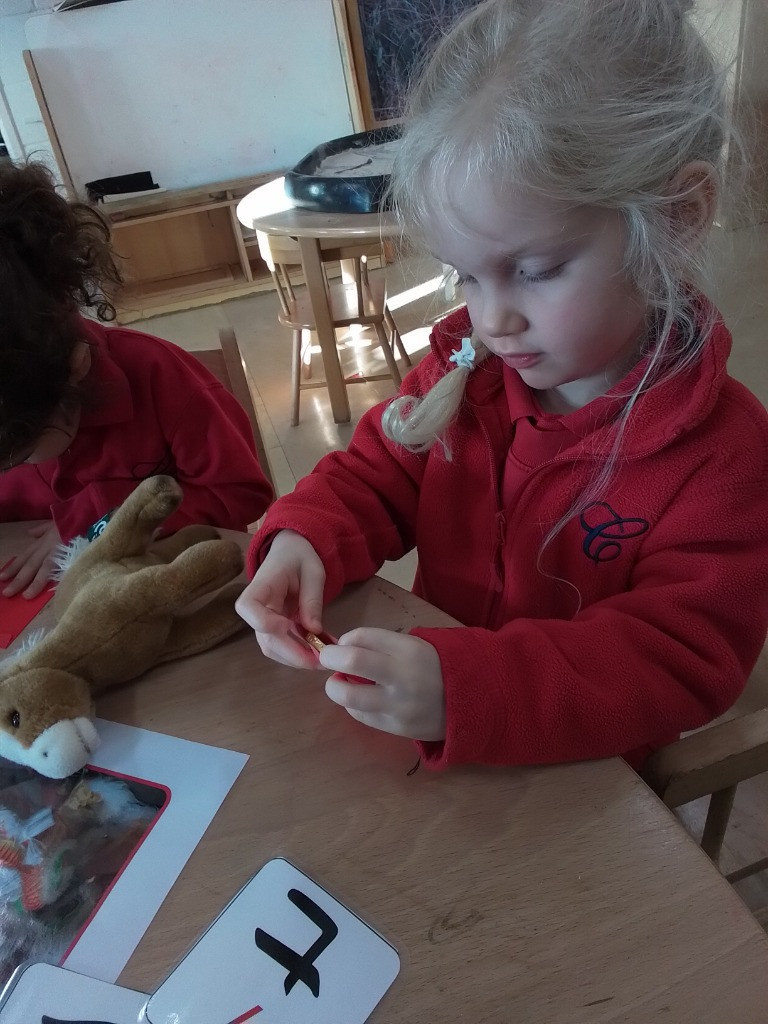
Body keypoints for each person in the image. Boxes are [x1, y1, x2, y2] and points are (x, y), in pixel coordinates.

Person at [236, 0, 768, 771]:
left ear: (677, 218)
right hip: (439, 752)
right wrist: (303, 536)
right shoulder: (467, 376)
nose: (492, 320)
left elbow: (678, 662)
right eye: (465, 276)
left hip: (590, 787)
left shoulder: (724, 459)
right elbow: (376, 475)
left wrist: (469, 688)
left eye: (536, 271)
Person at [0, 161, 272, 599]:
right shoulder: (21, 408)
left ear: (76, 368)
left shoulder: (160, 378)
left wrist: (96, 520)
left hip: (173, 591)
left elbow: (242, 495)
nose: (11, 466)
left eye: (20, 451)